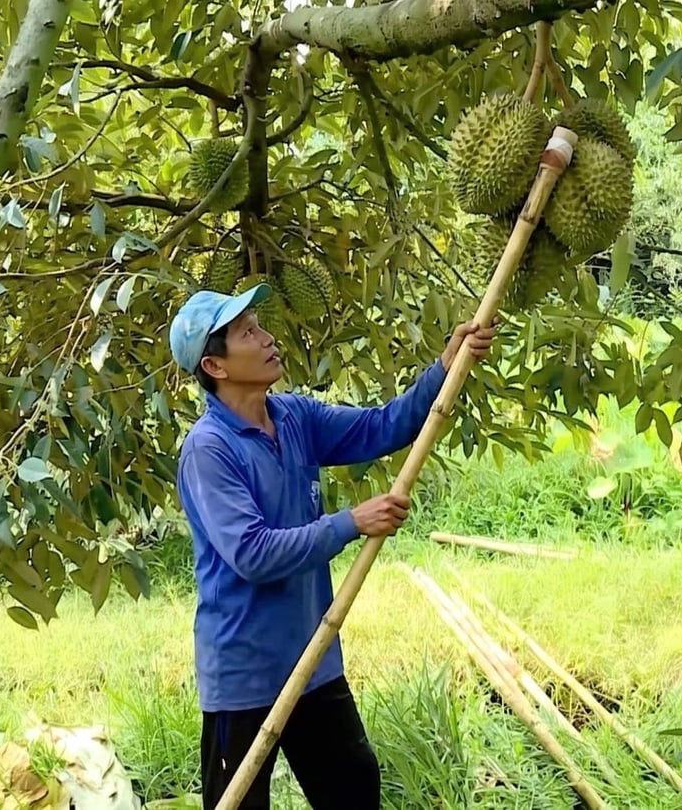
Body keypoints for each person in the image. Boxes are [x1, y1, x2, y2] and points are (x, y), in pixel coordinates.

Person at [168, 281, 496, 809]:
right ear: (216, 367)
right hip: (245, 674)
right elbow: (252, 554)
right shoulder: (209, 451)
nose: (267, 336)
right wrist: (351, 522)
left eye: (259, 325)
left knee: (354, 791)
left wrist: (444, 369)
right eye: (247, 332)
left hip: (313, 658)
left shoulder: (294, 417)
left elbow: (382, 426)